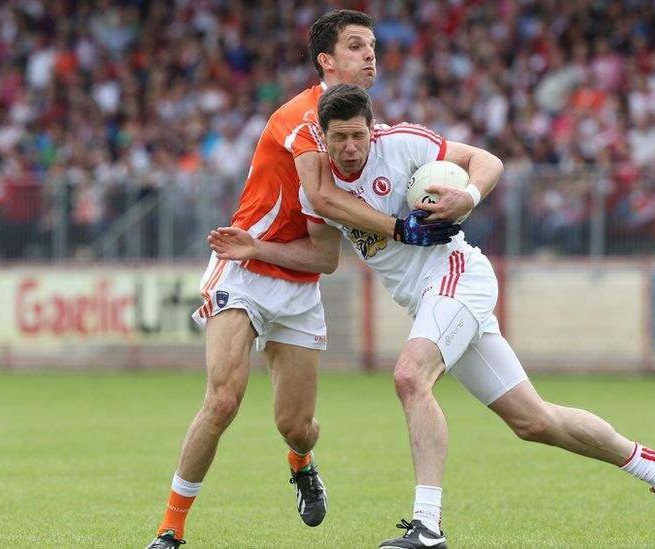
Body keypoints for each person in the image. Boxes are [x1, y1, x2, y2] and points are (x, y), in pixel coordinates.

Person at [208, 84, 655, 548]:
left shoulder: (402, 144)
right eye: (340, 138)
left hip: (458, 275)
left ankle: (427, 526)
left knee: (409, 376)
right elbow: (323, 260)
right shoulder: (320, 189)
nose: (352, 147)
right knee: (534, 421)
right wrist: (258, 247)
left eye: (359, 135)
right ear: (325, 137)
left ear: (372, 131)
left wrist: (471, 195)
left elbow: (486, 160)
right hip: (430, 301)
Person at [146, 11, 461, 549]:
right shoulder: (300, 118)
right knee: (223, 400)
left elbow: (325, 258)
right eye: (356, 46)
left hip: (294, 278)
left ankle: (302, 461)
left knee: (297, 425)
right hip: (242, 266)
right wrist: (403, 229)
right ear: (326, 60)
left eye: (373, 47)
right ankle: (169, 532)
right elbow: (322, 198)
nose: (370, 56)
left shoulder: (356, 131)